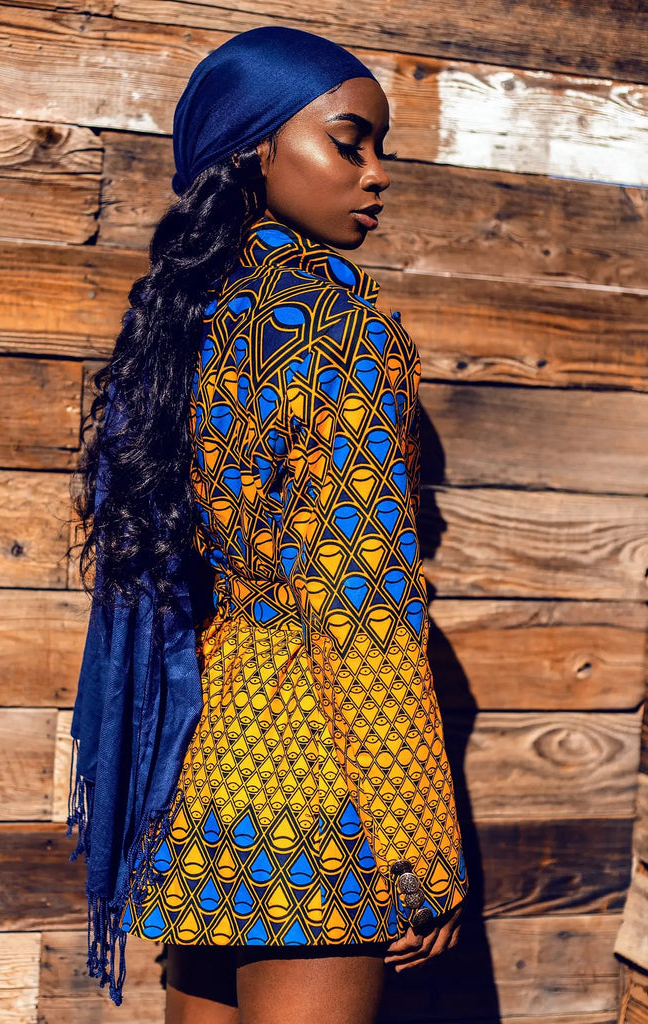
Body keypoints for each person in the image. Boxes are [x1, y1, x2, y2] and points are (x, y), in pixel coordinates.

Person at [68, 25, 468, 1024]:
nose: (376, 176)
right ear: (254, 148)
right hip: (323, 794)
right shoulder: (338, 324)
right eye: (350, 142)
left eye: (381, 149)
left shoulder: (182, 323)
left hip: (207, 786)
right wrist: (421, 846)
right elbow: (361, 599)